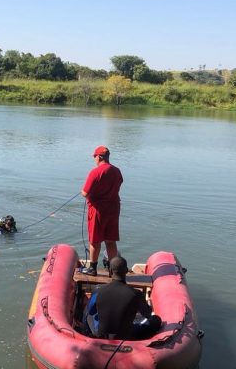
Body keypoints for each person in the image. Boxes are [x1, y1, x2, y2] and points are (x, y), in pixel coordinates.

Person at [90, 256, 162, 340]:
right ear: (126, 271)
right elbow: (147, 314)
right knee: (156, 320)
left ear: (110, 271)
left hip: (102, 335)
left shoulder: (98, 291)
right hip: (126, 336)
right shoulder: (136, 294)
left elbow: (92, 311)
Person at [80, 145, 123, 276]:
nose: (94, 159)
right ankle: (113, 270)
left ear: (99, 157)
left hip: (98, 210)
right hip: (113, 209)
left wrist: (87, 194)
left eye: (94, 157)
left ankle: (92, 268)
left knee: (95, 240)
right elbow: (118, 185)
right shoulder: (117, 171)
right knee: (110, 240)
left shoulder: (95, 172)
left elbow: (85, 192)